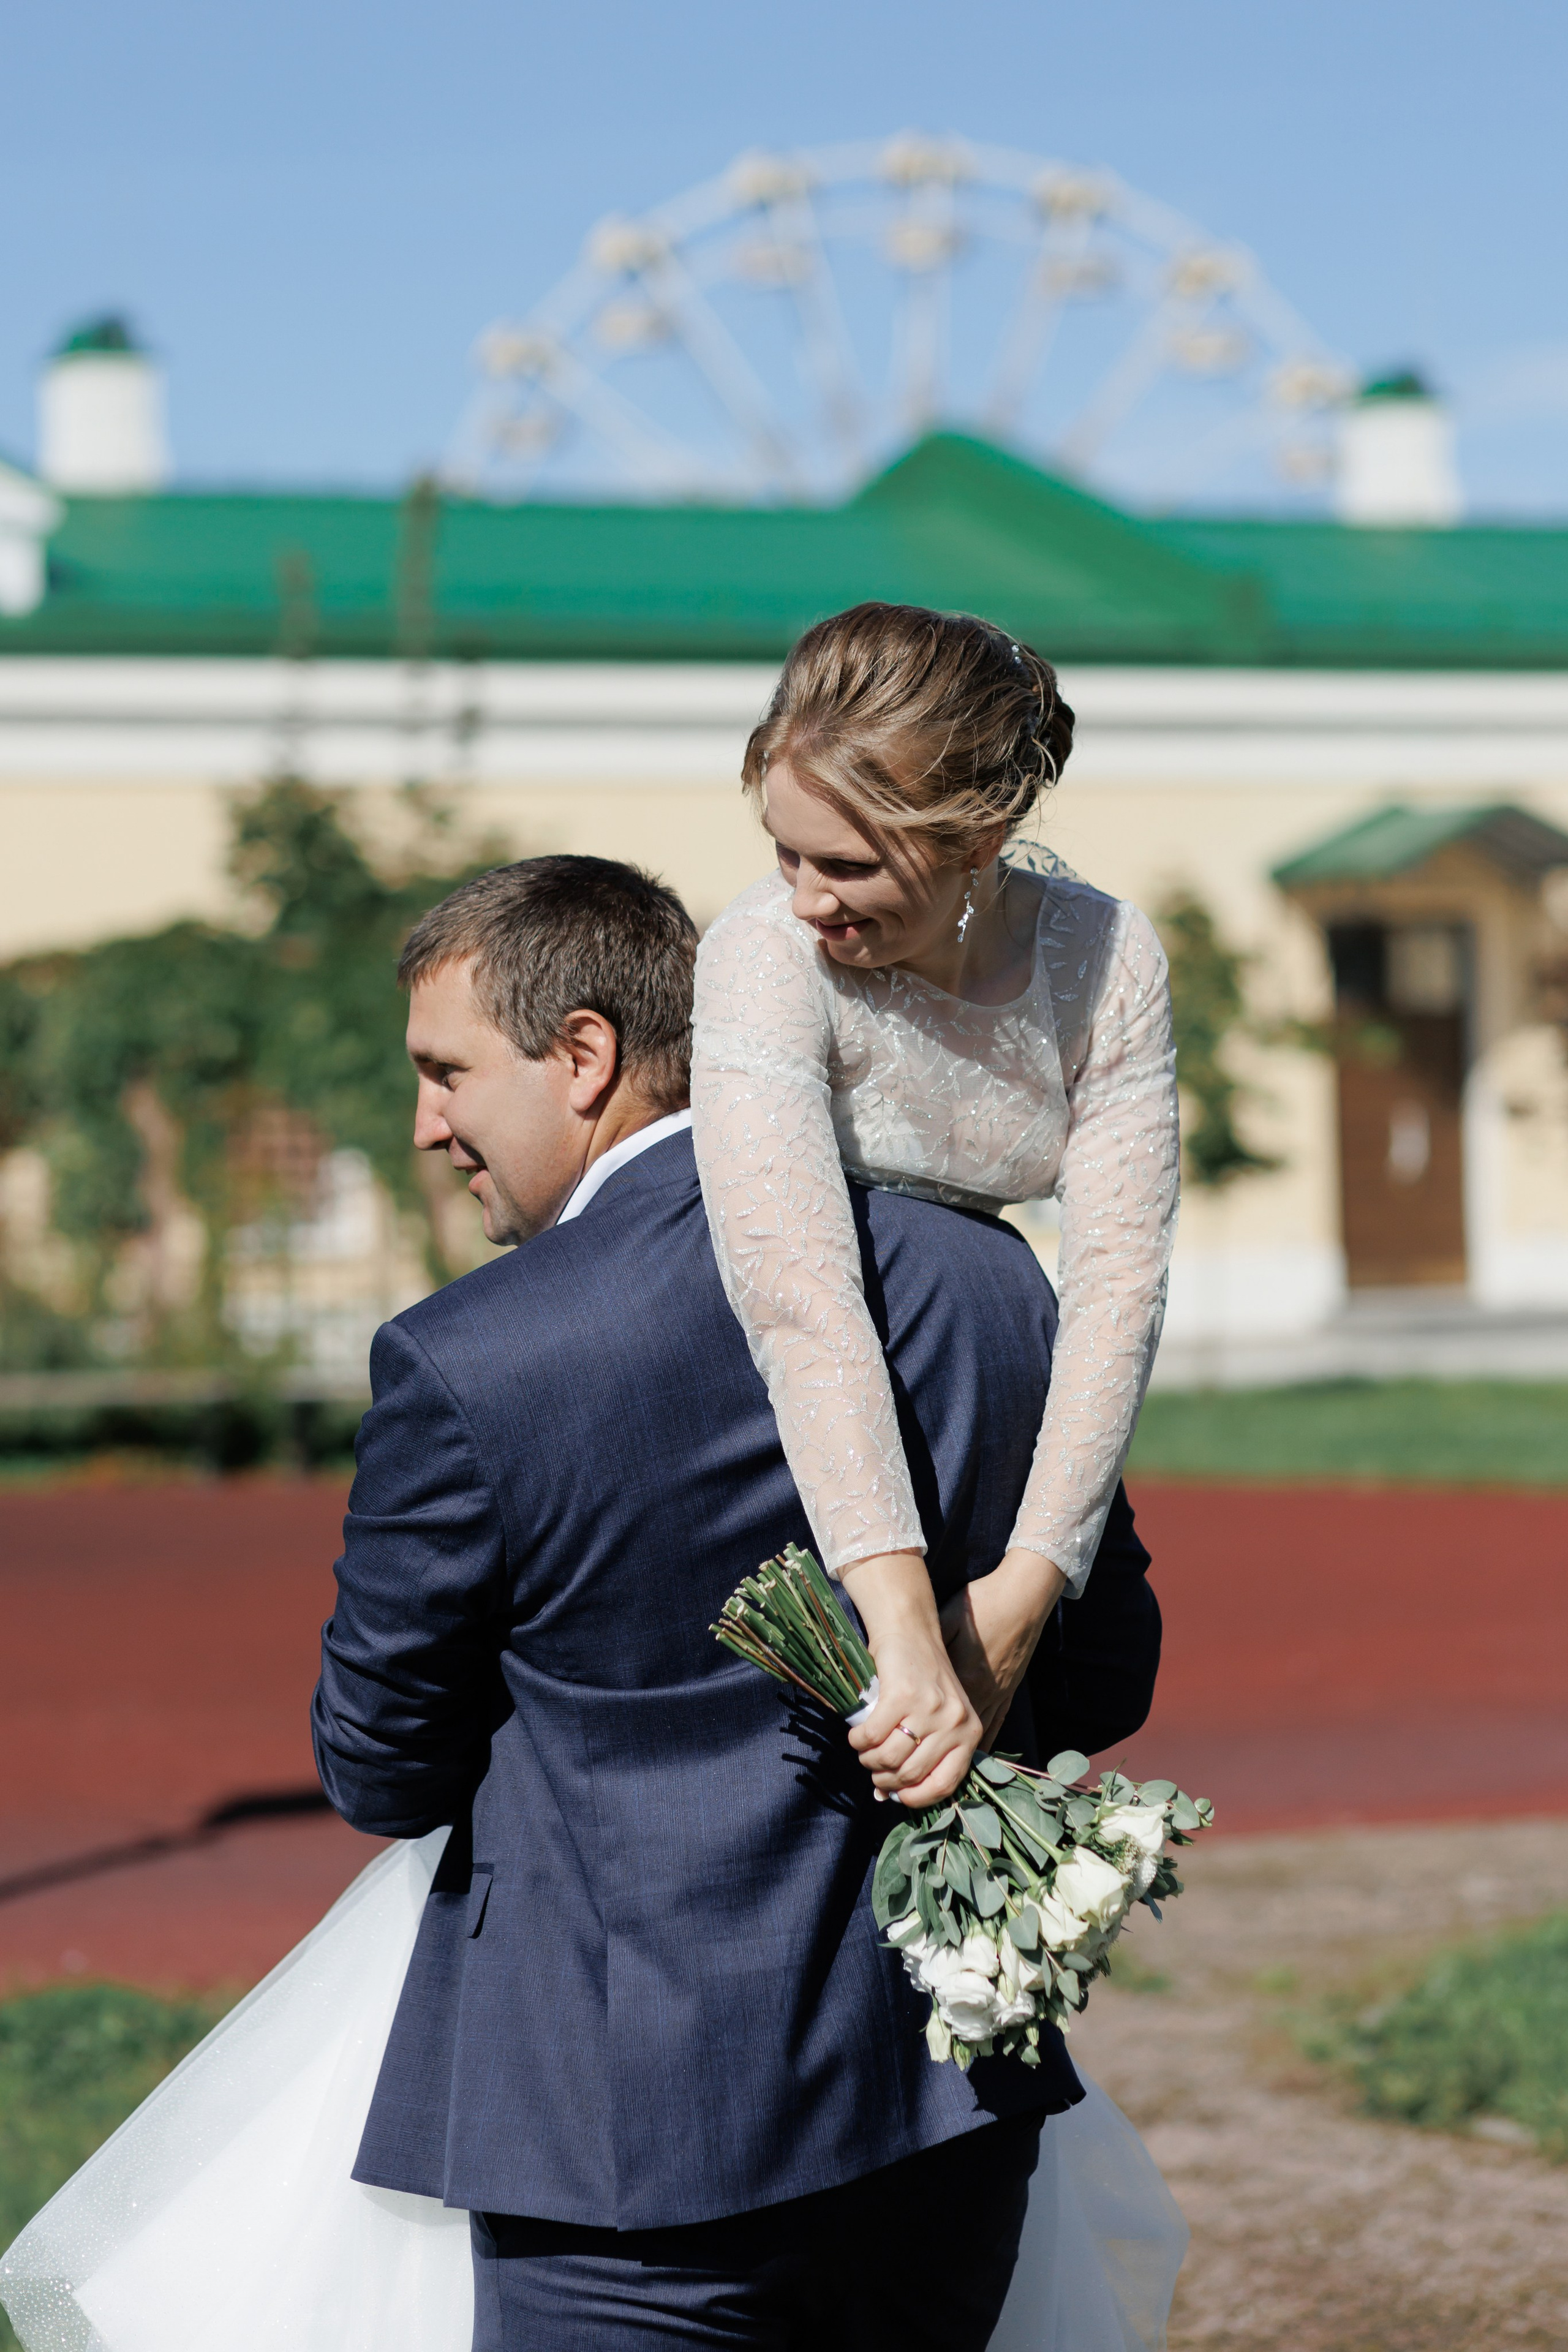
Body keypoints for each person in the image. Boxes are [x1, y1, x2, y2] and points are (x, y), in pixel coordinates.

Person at [0, 852, 1180, 2352]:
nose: (426, 1127)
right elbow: (1104, 1673)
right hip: (937, 2109)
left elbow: (379, 1768)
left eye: (445, 1072)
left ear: (584, 1056)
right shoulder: (987, 1285)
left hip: (623, 2147)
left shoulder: (471, 1359)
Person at [690, 602, 1179, 1818]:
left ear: (980, 836)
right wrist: (902, 1620)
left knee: (1095, 1676)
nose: (804, 896)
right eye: (784, 852)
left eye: (846, 865)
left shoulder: (1105, 958)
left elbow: (1118, 1284)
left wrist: (1026, 1583)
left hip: (995, 1424)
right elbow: (800, 1305)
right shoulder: (762, 952)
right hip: (792, 1424)